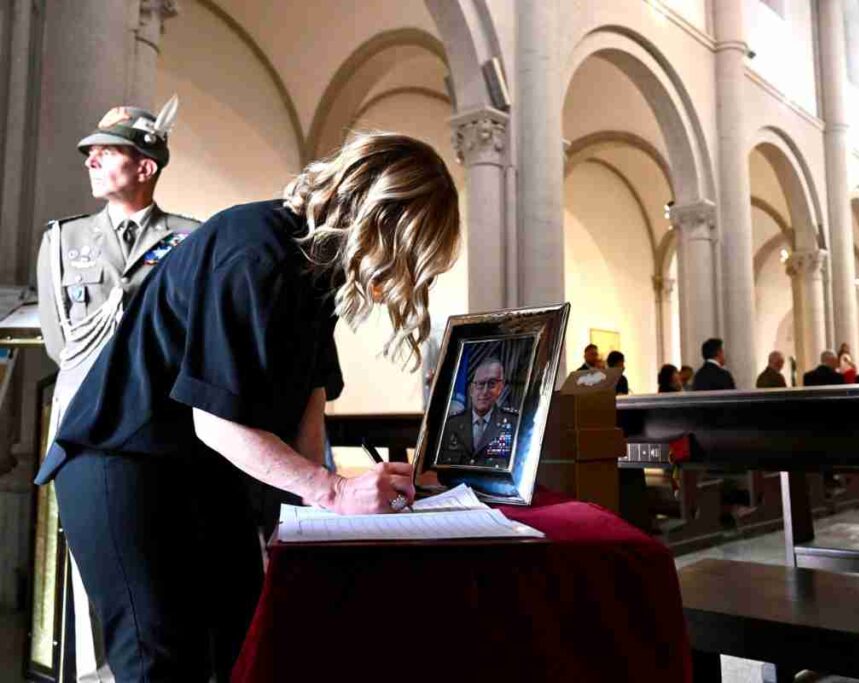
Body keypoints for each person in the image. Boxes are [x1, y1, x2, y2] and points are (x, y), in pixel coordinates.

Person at [34, 132, 461, 681]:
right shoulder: (255, 248)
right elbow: (215, 420)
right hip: (124, 465)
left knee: (243, 648)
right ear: (381, 220)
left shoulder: (319, 272)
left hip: (203, 476)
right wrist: (333, 490)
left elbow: (309, 400)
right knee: (162, 664)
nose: (402, 278)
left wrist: (316, 505)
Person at [35, 98, 200, 682]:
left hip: (166, 434)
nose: (92, 161)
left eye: (107, 152)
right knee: (97, 593)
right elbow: (62, 344)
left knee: (164, 593)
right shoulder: (63, 242)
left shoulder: (191, 241)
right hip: (91, 428)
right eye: (90, 153)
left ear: (146, 165)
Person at [437, 356, 520, 468]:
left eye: (491, 384)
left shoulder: (514, 425)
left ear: (500, 388)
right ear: (471, 390)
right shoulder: (451, 425)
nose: (485, 391)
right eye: (480, 384)